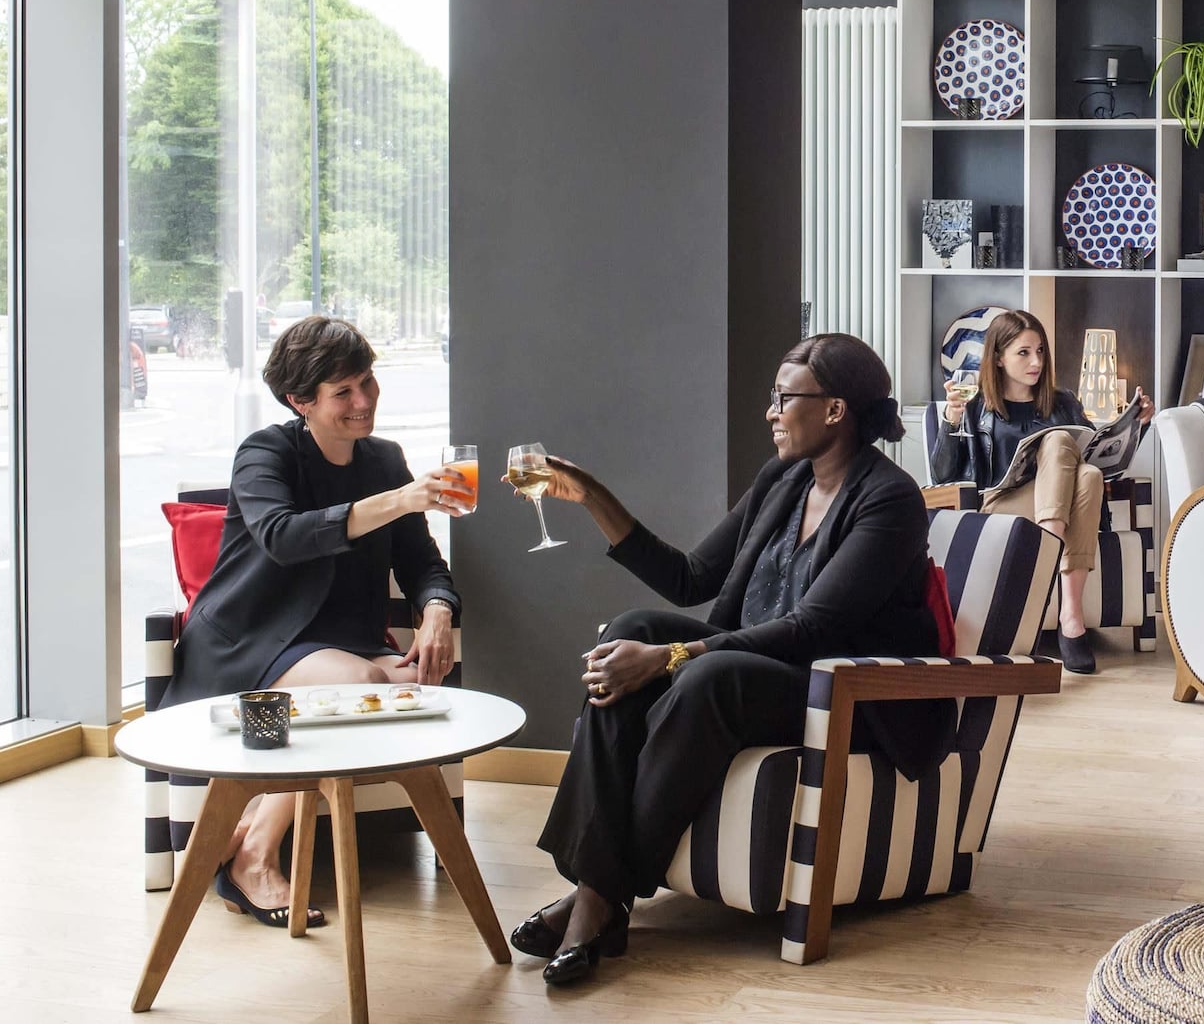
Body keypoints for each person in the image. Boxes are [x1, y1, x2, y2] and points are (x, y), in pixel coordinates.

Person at [516, 333, 948, 988]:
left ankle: (597, 897)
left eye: (784, 397)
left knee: (706, 672)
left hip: (845, 691)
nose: (771, 411)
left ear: (834, 409)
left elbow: (813, 627)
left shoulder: (889, 498)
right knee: (629, 630)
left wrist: (672, 656)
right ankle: (599, 898)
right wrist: (593, 497)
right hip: (754, 672)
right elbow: (692, 578)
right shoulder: (782, 479)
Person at [158, 316, 465, 928]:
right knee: (362, 685)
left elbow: (422, 561)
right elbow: (283, 537)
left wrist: (437, 610)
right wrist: (401, 499)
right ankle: (255, 854)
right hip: (251, 640)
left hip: (336, 643)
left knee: (412, 685)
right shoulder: (265, 453)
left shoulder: (383, 459)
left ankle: (241, 830)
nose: (363, 400)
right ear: (301, 400)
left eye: (367, 381)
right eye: (343, 391)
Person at [927, 308, 1153, 675]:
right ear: (998, 358)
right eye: (1024, 352)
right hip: (1001, 507)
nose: (1036, 361)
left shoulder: (1063, 402)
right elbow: (942, 475)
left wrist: (1137, 425)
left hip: (1060, 509)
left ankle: (1070, 613)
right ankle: (1062, 598)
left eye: (1040, 351)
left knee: (1089, 475)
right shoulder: (975, 406)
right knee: (1061, 442)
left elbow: (1099, 458)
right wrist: (951, 421)